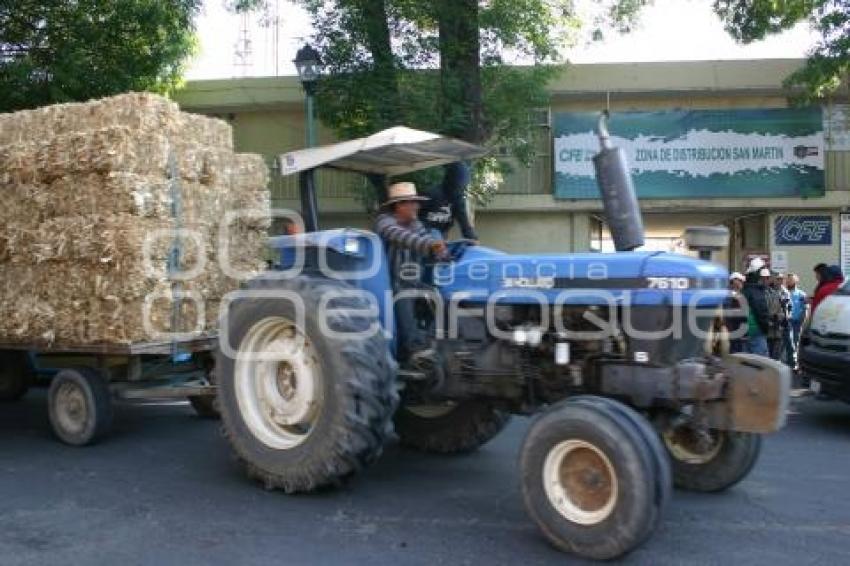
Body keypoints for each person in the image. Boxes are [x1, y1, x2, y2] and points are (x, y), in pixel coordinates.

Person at [374, 182, 449, 366]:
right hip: (389, 283)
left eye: (416, 202)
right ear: (399, 205)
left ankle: (434, 342)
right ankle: (414, 349)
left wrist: (441, 252)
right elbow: (402, 237)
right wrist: (430, 246)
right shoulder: (385, 223)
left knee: (442, 297)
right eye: (412, 203)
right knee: (403, 296)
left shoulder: (415, 224)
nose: (416, 206)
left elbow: (427, 239)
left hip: (412, 282)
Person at [418, 162, 479, 241]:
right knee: (435, 233)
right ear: (450, 179)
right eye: (457, 184)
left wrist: (473, 239)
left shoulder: (458, 200)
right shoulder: (431, 194)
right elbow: (413, 215)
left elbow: (465, 224)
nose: (459, 189)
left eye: (461, 186)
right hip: (423, 235)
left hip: (442, 236)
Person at [741, 258, 770, 357]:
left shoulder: (745, 290)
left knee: (747, 363)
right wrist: (766, 327)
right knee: (762, 363)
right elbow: (761, 312)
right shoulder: (755, 292)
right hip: (756, 331)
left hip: (745, 332)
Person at [764, 269, 787, 361]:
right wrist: (769, 320)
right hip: (766, 330)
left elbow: (781, 311)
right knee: (766, 357)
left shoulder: (775, 293)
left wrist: (779, 317)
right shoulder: (761, 292)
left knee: (776, 356)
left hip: (777, 331)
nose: (770, 279)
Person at [785, 273, 807, 368]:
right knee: (787, 343)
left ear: (796, 281)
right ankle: (788, 362)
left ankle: (795, 364)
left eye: (791, 280)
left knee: (795, 343)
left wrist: (803, 321)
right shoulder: (784, 293)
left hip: (797, 323)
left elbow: (805, 308)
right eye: (788, 280)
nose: (789, 281)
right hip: (786, 322)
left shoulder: (801, 294)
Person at [725, 272, 748, 354]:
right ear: (734, 281)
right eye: (740, 280)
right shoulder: (729, 296)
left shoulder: (739, 296)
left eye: (742, 281)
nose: (742, 283)